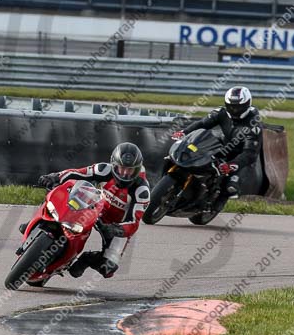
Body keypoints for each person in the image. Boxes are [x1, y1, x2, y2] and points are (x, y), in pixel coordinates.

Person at [37, 142, 150, 279]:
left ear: (137, 169)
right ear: (113, 165)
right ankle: (38, 221)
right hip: (93, 207)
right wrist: (54, 177)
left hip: (115, 225)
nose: (125, 173)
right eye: (121, 168)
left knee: (108, 268)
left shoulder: (142, 191)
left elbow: (134, 222)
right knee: (60, 193)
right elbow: (77, 173)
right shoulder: (104, 169)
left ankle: (86, 259)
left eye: (130, 170)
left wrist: (115, 229)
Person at [172, 86, 262, 199]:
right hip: (222, 147)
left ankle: (217, 199)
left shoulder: (253, 125)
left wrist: (233, 165)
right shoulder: (221, 112)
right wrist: (184, 132)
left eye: (238, 107)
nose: (234, 110)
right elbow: (202, 123)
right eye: (231, 106)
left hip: (240, 156)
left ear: (247, 104)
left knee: (231, 188)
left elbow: (250, 154)